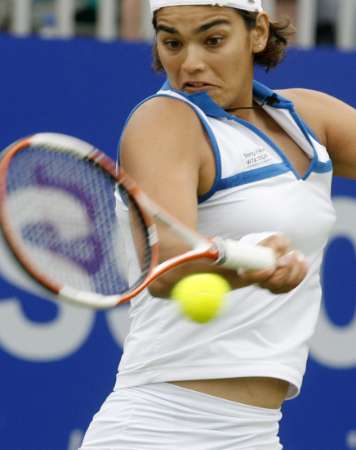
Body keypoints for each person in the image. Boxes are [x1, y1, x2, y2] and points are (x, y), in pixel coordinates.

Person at [79, 0, 356, 448]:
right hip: (158, 432)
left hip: (257, 434)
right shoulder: (164, 122)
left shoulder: (309, 119)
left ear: (258, 33)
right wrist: (248, 267)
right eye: (172, 42)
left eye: (212, 40)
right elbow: (169, 266)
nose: (190, 63)